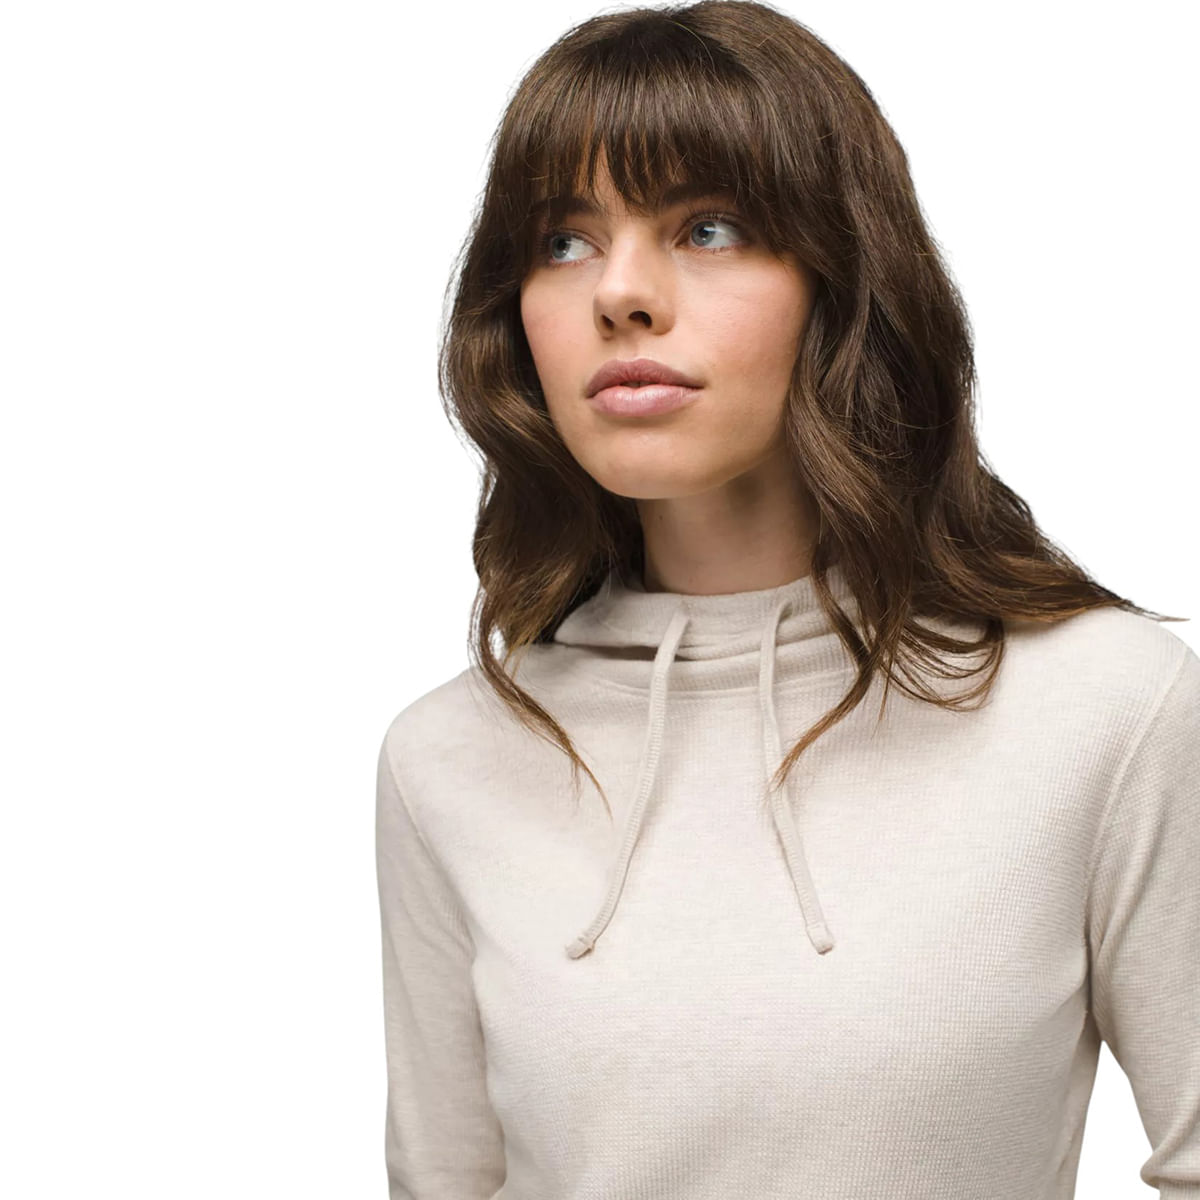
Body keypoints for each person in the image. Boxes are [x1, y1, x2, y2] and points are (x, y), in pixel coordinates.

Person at [373, 2, 1200, 1196]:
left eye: (707, 227)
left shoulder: (1106, 710)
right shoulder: (449, 760)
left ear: (843, 276)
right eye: (562, 240)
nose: (621, 293)